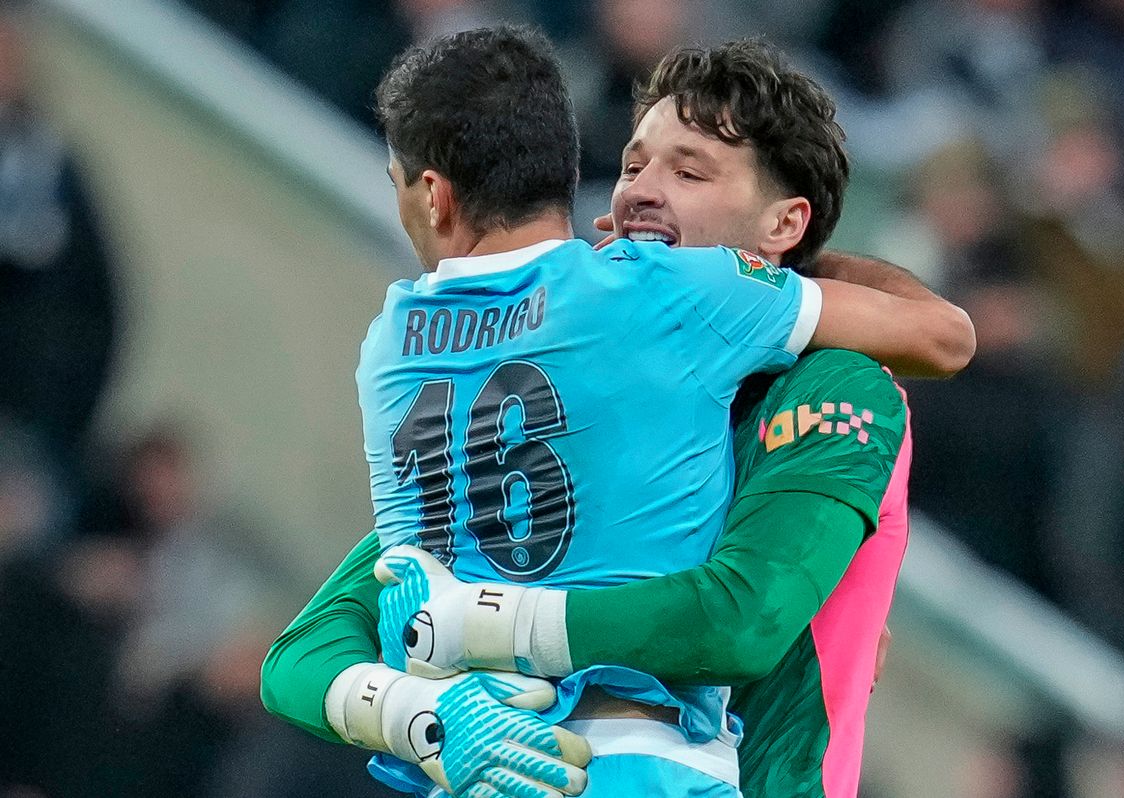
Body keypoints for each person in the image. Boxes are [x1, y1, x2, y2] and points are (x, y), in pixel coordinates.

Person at [262, 30, 973, 798]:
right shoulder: (585, 385)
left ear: (783, 224)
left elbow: (742, 622)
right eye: (633, 164)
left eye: (689, 170)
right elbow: (323, 638)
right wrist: (424, 711)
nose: (637, 189)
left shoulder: (835, 386)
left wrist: (480, 622)